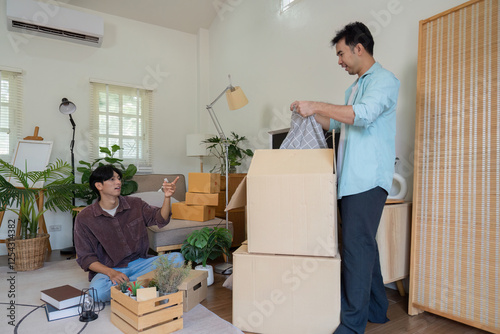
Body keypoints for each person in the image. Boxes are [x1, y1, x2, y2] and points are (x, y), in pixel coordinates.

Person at [290, 22, 400, 333]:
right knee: (363, 245)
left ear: (358, 48)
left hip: (368, 179)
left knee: (355, 248)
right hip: (350, 181)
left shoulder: (385, 81)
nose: (339, 61)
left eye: (341, 53)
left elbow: (362, 116)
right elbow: (339, 125)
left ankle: (352, 325)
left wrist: (318, 104)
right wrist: (309, 113)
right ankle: (378, 310)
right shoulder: (353, 88)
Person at [74, 164, 184, 302]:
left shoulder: (135, 204)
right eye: (112, 179)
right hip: (110, 269)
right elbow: (86, 258)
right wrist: (111, 273)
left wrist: (167, 197)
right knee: (97, 292)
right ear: (99, 186)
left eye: (119, 178)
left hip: (141, 263)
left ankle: (130, 287)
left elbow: (159, 218)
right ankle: (145, 285)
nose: (118, 182)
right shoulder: (85, 218)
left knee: (178, 259)